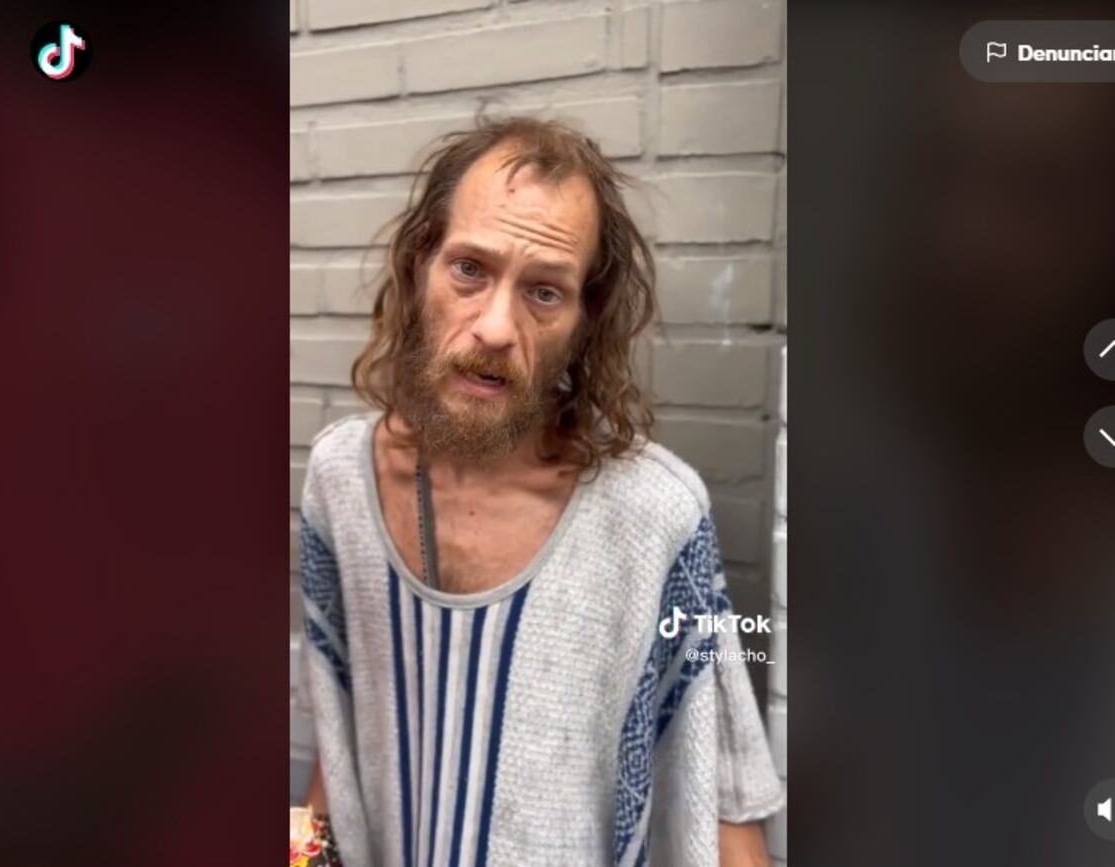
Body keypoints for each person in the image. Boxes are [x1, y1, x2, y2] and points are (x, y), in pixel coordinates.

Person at [298, 117, 782, 867]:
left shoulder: (654, 519)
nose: (495, 327)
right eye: (469, 269)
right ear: (420, 265)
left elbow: (721, 811)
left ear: (586, 321)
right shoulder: (341, 480)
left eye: (545, 292)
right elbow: (344, 738)